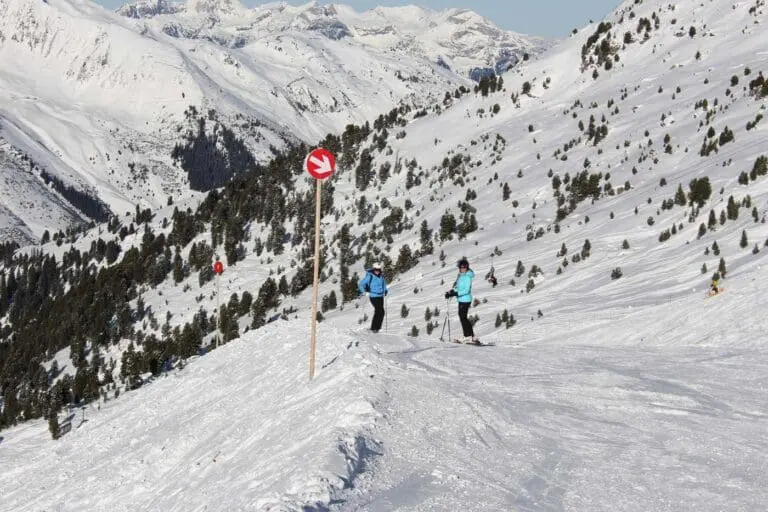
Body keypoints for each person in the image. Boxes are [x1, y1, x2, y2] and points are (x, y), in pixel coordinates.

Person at [445, 257, 479, 344]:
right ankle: (470, 336)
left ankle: (468, 336)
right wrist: (451, 292)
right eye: (461, 267)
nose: (462, 269)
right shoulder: (461, 276)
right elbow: (458, 287)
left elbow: (466, 290)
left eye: (464, 267)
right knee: (463, 317)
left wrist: (455, 294)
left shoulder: (467, 277)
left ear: (467, 267)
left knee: (463, 317)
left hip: (465, 299)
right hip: (461, 299)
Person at [359, 262, 388, 333]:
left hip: (380, 296)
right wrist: (365, 292)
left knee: (379, 312)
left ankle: (376, 328)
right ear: (373, 269)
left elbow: (384, 284)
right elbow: (361, 284)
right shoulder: (370, 276)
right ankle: (374, 328)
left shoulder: (381, 276)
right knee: (380, 311)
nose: (377, 271)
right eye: (376, 269)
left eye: (378, 269)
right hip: (373, 296)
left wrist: (386, 291)